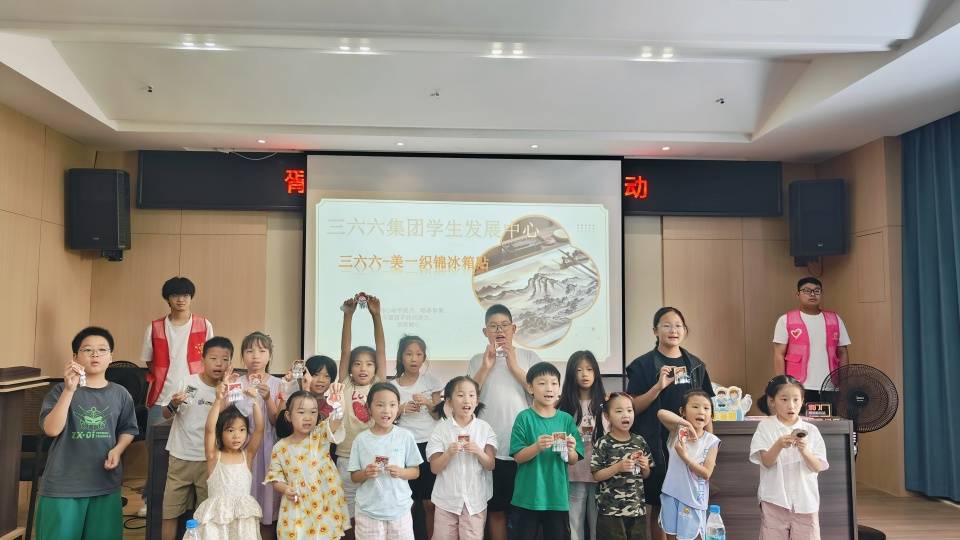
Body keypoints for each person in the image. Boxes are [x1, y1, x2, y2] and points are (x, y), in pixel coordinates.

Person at [35, 327, 139, 540]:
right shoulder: (60, 391)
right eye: (87, 350)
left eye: (102, 350)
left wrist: (118, 450)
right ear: (75, 357)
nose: (95, 355)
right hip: (63, 486)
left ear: (111, 357)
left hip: (105, 484)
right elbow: (51, 429)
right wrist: (69, 390)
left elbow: (128, 429)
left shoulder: (121, 394)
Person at [625, 307, 714, 540]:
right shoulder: (643, 365)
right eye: (666, 325)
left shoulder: (696, 365)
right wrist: (658, 387)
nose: (673, 330)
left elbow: (707, 409)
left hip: (691, 445)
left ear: (685, 330)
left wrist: (709, 445)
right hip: (656, 442)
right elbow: (633, 408)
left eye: (678, 325)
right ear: (655, 331)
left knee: (688, 502)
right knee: (660, 503)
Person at [139, 276, 214, 516]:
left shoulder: (204, 325)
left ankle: (194, 503)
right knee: (155, 451)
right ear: (167, 299)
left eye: (185, 295)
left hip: (197, 397)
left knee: (197, 450)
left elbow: (212, 358)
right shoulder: (154, 327)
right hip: (162, 396)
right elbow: (149, 361)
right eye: (175, 295)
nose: (181, 299)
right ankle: (149, 499)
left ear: (191, 298)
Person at [467, 304, 542, 540]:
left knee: (524, 512)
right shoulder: (477, 360)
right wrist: (486, 366)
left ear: (514, 328)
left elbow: (540, 392)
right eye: (493, 326)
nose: (499, 330)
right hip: (489, 448)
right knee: (496, 509)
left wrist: (514, 366)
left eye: (504, 325)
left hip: (524, 446)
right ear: (485, 331)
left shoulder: (529, 357)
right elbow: (467, 397)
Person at [161, 336, 233, 540]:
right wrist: (174, 404)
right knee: (170, 513)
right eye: (213, 358)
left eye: (225, 359)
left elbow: (230, 425)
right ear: (203, 360)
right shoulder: (187, 382)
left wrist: (225, 394)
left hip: (209, 460)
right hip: (180, 457)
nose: (219, 364)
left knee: (206, 515)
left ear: (230, 364)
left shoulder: (228, 390)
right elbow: (165, 414)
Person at [509, 361, 584, 540]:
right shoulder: (523, 418)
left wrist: (570, 449)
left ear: (559, 388)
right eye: (542, 383)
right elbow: (518, 457)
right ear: (530, 388)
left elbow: (573, 459)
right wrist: (536, 447)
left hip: (557, 497)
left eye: (554, 383)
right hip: (527, 498)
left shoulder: (566, 419)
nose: (549, 388)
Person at [750, 375, 829, 540]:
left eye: (796, 399)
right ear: (772, 401)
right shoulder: (765, 427)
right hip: (774, 499)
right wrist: (778, 445)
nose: (791, 405)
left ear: (802, 401)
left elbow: (817, 467)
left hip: (806, 501)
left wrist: (805, 451)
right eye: (784, 399)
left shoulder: (811, 430)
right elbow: (766, 462)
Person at [265, 386, 349, 540]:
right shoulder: (280, 447)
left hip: (323, 503)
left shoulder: (320, 435)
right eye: (301, 412)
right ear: (288, 415)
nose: (308, 417)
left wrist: (338, 400)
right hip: (296, 504)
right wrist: (285, 489)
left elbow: (337, 418)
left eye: (313, 412)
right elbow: (275, 478)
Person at [192, 366, 265, 539]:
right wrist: (218, 399)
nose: (237, 435)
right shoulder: (213, 456)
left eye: (242, 430)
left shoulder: (247, 455)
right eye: (230, 430)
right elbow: (209, 429)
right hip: (217, 520)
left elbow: (259, 429)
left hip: (242, 520)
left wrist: (254, 401)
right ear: (221, 433)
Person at [338, 292, 387, 538]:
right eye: (357, 364)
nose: (363, 368)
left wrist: (376, 316)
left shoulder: (379, 385)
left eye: (368, 363)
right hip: (347, 455)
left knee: (373, 510)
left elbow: (381, 350)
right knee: (347, 514)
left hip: (372, 456)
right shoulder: (345, 384)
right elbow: (345, 351)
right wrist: (348, 316)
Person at [349, 383, 423, 539]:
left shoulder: (405, 436)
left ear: (398, 407)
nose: (386, 410)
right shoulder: (361, 440)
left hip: (400, 510)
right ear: (369, 408)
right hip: (368, 511)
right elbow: (354, 477)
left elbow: (415, 472)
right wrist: (365, 473)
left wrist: (401, 472)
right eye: (380, 405)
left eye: (392, 405)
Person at [427, 376, 497, 540]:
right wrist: (448, 453)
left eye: (472, 395)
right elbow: (434, 468)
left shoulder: (485, 428)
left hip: (475, 501)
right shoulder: (440, 429)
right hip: (446, 500)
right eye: (460, 395)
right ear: (449, 402)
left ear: (477, 401)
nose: (467, 400)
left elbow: (490, 465)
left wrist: (479, 452)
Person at [391, 335, 443, 538]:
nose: (414, 358)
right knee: (408, 502)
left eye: (419, 354)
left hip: (430, 445)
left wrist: (428, 403)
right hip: (405, 447)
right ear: (401, 357)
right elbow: (387, 417)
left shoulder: (432, 381)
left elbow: (438, 415)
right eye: (409, 354)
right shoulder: (393, 386)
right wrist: (402, 408)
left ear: (424, 358)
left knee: (430, 503)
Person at [235, 331, 284, 539]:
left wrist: (268, 398)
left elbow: (277, 422)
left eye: (262, 351)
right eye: (249, 351)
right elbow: (230, 419)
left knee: (268, 504)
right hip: (242, 447)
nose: (255, 356)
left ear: (270, 356)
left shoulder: (279, 384)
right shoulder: (236, 383)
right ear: (242, 356)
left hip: (269, 447)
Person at [773, 277, 851, 403]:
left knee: (833, 416)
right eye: (807, 290)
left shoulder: (835, 319)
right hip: (797, 386)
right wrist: (782, 384)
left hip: (831, 386)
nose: (812, 294)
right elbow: (779, 354)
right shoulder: (786, 320)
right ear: (797, 294)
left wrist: (844, 382)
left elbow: (843, 352)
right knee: (800, 417)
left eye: (817, 291)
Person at [656, 392, 720, 540]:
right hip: (671, 493)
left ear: (711, 415)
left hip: (693, 499)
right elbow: (661, 413)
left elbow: (706, 473)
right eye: (695, 406)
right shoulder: (677, 431)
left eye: (706, 408)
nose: (701, 411)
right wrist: (686, 424)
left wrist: (684, 456)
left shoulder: (712, 441)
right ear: (683, 411)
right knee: (670, 536)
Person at [558, 351, 607, 540]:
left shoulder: (606, 403)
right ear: (571, 373)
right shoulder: (563, 405)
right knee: (574, 525)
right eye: (579, 370)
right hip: (574, 472)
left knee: (598, 526)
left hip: (600, 471)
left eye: (589, 369)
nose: (584, 374)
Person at [591, 392, 653, 540]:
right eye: (619, 411)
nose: (626, 415)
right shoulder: (603, 443)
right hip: (610, 511)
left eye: (629, 410)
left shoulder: (639, 441)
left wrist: (645, 467)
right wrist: (618, 467)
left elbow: (646, 475)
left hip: (637, 509)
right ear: (607, 416)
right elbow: (596, 475)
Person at [276, 355, 339, 438]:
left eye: (327, 376)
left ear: (332, 380)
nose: (321, 380)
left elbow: (314, 427)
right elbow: (280, 425)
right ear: (305, 375)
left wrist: (307, 389)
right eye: (315, 375)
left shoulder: (331, 404)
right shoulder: (295, 399)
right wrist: (287, 387)